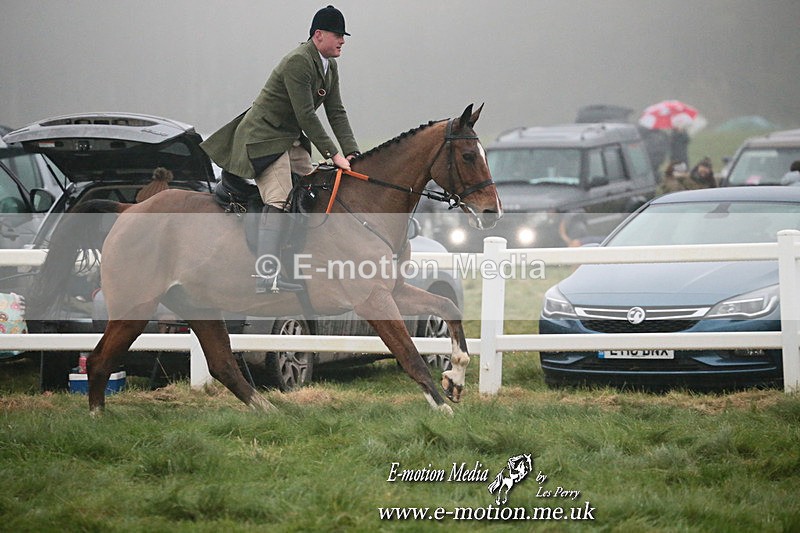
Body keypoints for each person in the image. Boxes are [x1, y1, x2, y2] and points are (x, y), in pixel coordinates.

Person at [201, 5, 360, 293]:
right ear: (318, 35)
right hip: (264, 139)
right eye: (337, 35)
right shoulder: (298, 62)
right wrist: (333, 154)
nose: (342, 41)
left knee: (313, 189)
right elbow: (306, 115)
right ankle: (266, 275)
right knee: (281, 198)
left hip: (290, 138)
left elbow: (336, 111)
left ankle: (301, 260)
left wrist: (352, 151)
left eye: (343, 36)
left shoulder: (329, 66)